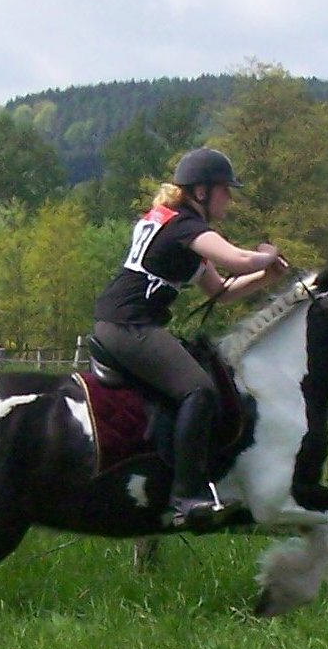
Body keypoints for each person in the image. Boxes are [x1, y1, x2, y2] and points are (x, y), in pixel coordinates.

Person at [92, 147, 287, 529]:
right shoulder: (184, 226)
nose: (229, 198)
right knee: (199, 390)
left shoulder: (181, 231)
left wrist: (264, 279)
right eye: (224, 190)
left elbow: (220, 290)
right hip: (129, 326)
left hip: (125, 323)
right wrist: (266, 255)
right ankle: (186, 499)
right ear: (200, 192)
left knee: (203, 380)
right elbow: (237, 260)